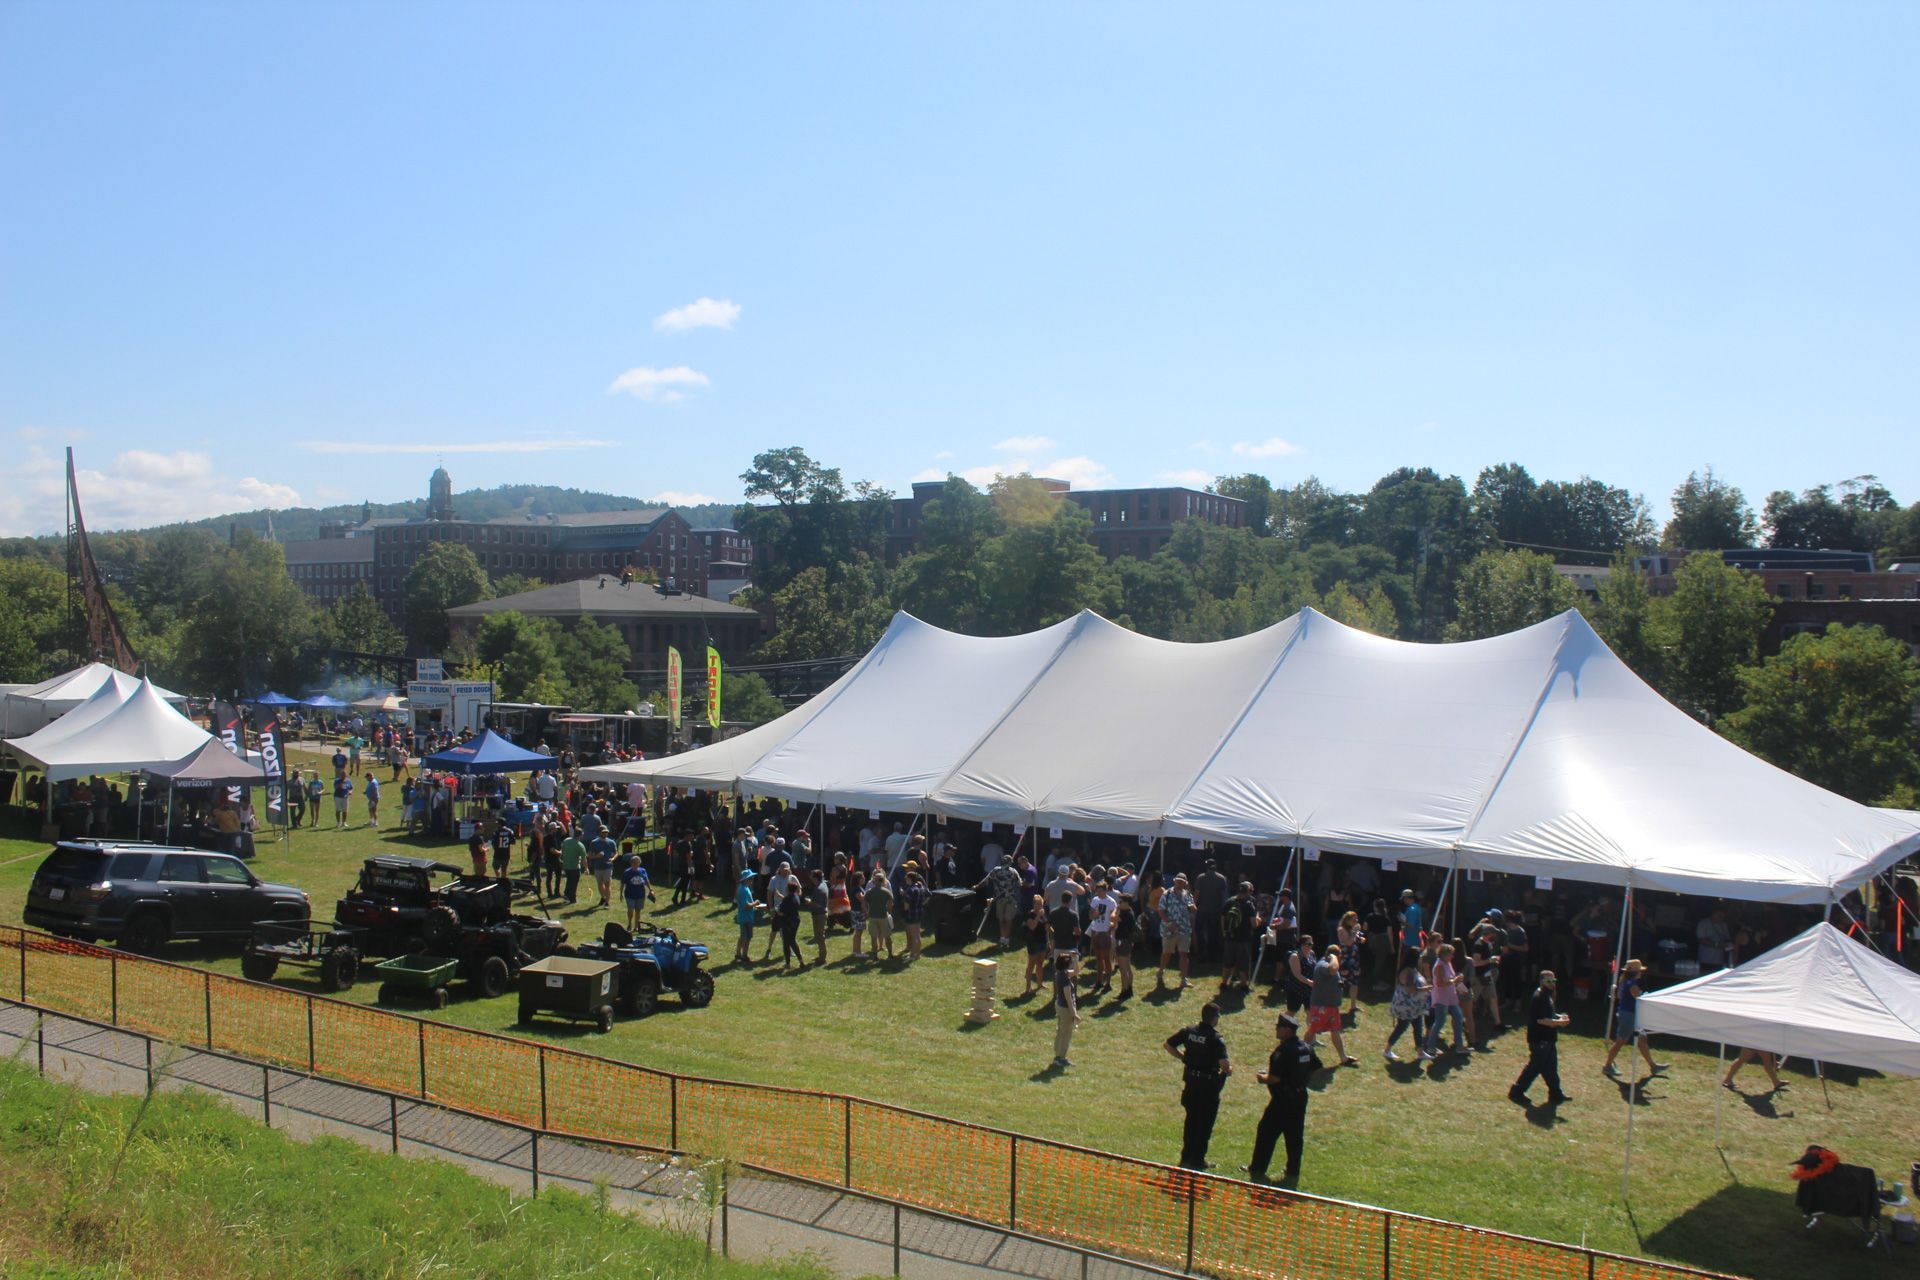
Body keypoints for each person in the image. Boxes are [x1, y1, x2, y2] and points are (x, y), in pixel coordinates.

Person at [1244, 1011, 1323, 1185]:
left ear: (1287, 1030)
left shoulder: (1282, 1051)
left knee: (1266, 1131)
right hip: (1300, 1096)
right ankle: (1293, 1170)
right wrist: (1302, 1079)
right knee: (1295, 1135)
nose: (1276, 1029)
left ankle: (1258, 1168)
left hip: (1282, 1100)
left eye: (1279, 1027)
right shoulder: (1307, 1047)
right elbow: (1317, 1067)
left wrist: (1261, 1078)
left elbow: (1274, 1078)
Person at [1165, 1002, 1232, 1170]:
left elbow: (1168, 1045)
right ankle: (1198, 1160)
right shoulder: (1216, 1038)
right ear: (1214, 1019)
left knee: (1191, 1121)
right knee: (1205, 1124)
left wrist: (1184, 1058)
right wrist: (1229, 1071)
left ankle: (1185, 1157)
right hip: (1208, 1085)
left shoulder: (1189, 1031)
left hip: (1191, 1083)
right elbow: (1224, 1064)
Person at [1509, 970, 1572, 1107]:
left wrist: (1559, 1017)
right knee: (1534, 1067)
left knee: (1551, 1067)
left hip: (1548, 1039)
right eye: (1548, 981)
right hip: (1539, 1040)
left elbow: (1549, 1014)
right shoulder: (1539, 997)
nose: (1551, 984)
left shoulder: (1548, 996)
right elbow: (1541, 1020)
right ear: (1541, 982)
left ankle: (1556, 1093)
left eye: (1553, 981)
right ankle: (1516, 1092)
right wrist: (1559, 1023)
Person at [1600, 958, 1669, 1081]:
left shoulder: (1625, 982)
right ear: (1636, 972)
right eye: (1640, 971)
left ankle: (1653, 1066)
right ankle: (1607, 1066)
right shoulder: (1631, 984)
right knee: (1621, 1041)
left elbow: (1622, 996)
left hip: (1631, 1014)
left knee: (1642, 1039)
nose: (1641, 973)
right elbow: (1638, 996)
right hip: (1629, 1015)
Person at [1308, 944, 1358, 1066]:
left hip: (1331, 1006)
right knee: (1313, 1030)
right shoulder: (1323, 965)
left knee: (1335, 1031)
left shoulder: (1328, 964)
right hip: (1321, 1006)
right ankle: (1299, 1052)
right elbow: (1333, 969)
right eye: (1339, 956)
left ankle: (1343, 1058)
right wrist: (1333, 957)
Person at [1422, 942, 1468, 1059]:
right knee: (1440, 1021)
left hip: (1451, 997)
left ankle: (1459, 1045)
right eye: (1450, 954)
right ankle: (1430, 1046)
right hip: (1441, 998)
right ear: (1444, 954)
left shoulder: (1448, 963)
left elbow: (1451, 978)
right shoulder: (1439, 966)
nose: (1452, 956)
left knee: (1458, 1017)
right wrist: (1454, 980)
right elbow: (1440, 983)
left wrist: (1458, 981)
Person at [1382, 959, 1430, 1062]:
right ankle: (1387, 1050)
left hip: (1415, 1006)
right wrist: (1426, 989)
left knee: (1418, 1027)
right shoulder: (1408, 971)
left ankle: (1420, 1052)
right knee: (1402, 1027)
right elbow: (1410, 989)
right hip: (1407, 1006)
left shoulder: (1412, 970)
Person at [975, 860, 1026, 948]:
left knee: (1001, 919)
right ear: (1010, 863)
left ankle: (1002, 938)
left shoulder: (995, 870)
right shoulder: (1013, 871)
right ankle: (1006, 939)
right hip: (1011, 899)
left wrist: (976, 886)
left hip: (999, 899)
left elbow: (986, 880)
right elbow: (1019, 884)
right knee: (1008, 920)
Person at [1158, 874, 1196, 989]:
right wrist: (1168, 923)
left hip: (1184, 928)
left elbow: (1193, 908)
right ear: (1174, 881)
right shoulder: (1167, 894)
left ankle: (1183, 979)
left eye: (1181, 881)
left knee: (1184, 954)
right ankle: (1161, 970)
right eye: (1177, 881)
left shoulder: (1188, 894)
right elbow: (1160, 910)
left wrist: (1193, 908)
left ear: (1185, 882)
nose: (1179, 883)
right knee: (1167, 953)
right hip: (1169, 930)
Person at [1086, 879, 1118, 993]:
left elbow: (1114, 919)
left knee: (1107, 958)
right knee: (1098, 958)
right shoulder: (1095, 900)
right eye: (1097, 891)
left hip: (1105, 933)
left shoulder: (1111, 902)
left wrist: (1110, 930)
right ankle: (1099, 981)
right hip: (1096, 931)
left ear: (1105, 891)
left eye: (1099, 891)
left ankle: (1108, 982)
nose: (1097, 893)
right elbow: (1090, 916)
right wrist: (1093, 914)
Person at [1051, 953, 1080, 1068]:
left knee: (1060, 1031)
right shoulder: (1066, 981)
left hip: (1059, 1006)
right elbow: (1069, 999)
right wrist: (1075, 1015)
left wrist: (1074, 959)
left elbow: (1076, 971)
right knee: (1065, 1034)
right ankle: (1060, 1058)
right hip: (1065, 1009)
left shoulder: (1060, 974)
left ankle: (1058, 1054)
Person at [863, 867, 895, 960]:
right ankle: (890, 955)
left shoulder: (869, 892)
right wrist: (889, 913)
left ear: (874, 881)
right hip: (883, 916)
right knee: (887, 937)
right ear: (883, 881)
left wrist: (867, 913)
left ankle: (875, 956)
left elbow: (864, 903)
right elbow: (890, 904)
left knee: (874, 938)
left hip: (872, 917)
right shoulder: (887, 892)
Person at [774, 874, 805, 970]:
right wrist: (781, 896)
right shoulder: (796, 896)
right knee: (792, 940)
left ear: (788, 889)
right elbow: (788, 901)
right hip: (795, 920)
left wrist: (775, 910)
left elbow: (781, 913)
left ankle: (788, 964)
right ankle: (801, 961)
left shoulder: (788, 899)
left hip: (787, 923)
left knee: (787, 943)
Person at [899, 866, 929, 960]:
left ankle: (912, 955)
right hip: (919, 912)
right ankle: (918, 954)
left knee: (913, 936)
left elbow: (906, 906)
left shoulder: (909, 890)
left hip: (911, 914)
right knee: (917, 935)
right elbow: (926, 898)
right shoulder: (920, 888)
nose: (905, 879)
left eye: (907, 878)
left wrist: (904, 906)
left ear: (909, 879)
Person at [1022, 896, 1050, 996]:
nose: (1039, 906)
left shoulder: (1044, 915)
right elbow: (1032, 927)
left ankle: (1039, 983)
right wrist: (1038, 916)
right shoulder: (1031, 914)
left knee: (1040, 964)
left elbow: (1047, 928)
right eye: (1037, 904)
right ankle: (1028, 987)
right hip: (1033, 942)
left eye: (1041, 904)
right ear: (1034, 904)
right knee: (1031, 964)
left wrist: (1048, 941)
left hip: (1042, 941)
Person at [620, 852, 654, 932]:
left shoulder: (643, 871)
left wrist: (650, 889)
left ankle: (636, 926)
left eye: (638, 863)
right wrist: (621, 894)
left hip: (640, 894)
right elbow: (622, 884)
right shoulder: (627, 872)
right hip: (630, 894)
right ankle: (629, 924)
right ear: (631, 863)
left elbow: (646, 880)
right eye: (634, 863)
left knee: (638, 911)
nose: (636, 864)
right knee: (630, 909)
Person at [558, 826, 586, 904]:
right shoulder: (580, 845)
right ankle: (570, 897)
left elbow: (562, 851)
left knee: (569, 881)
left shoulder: (566, 840)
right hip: (575, 867)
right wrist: (586, 868)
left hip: (566, 866)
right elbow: (584, 858)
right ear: (580, 835)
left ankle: (568, 895)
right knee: (574, 883)